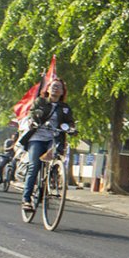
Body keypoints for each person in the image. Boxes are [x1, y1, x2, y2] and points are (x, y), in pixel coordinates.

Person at [20, 78, 75, 211]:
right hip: (37, 138)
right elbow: (32, 112)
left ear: (62, 92)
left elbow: (70, 122)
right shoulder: (41, 101)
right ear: (48, 89)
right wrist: (34, 120)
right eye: (53, 86)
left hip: (54, 138)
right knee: (34, 166)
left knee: (55, 160)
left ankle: (47, 185)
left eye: (59, 87)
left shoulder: (65, 108)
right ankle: (26, 199)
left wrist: (72, 129)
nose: (56, 88)